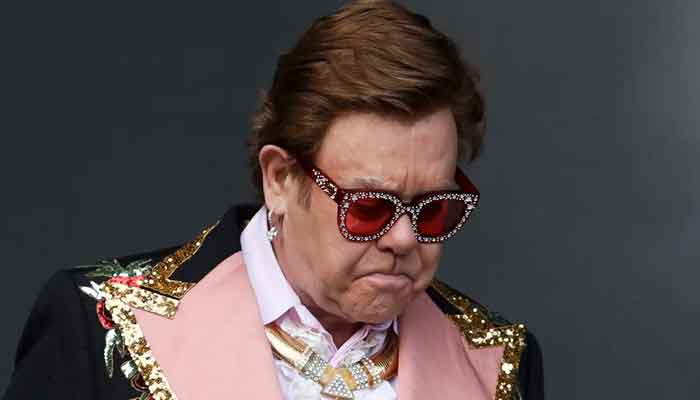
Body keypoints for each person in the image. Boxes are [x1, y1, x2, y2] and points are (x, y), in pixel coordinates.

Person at [2, 1, 544, 399]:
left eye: (433, 210)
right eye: (369, 208)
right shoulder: (96, 326)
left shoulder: (501, 363)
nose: (404, 239)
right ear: (280, 179)